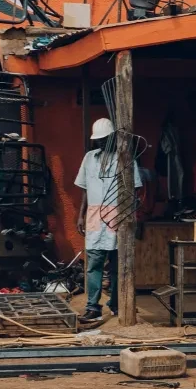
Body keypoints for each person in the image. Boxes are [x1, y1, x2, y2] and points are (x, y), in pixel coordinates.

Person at [75, 117, 143, 324]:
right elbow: (85, 188)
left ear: (113, 137)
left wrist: (131, 215)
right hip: (94, 216)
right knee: (93, 264)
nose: (101, 142)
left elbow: (135, 188)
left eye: (105, 139)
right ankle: (92, 307)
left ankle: (116, 304)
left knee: (116, 264)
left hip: (117, 215)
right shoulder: (89, 158)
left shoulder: (126, 158)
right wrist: (81, 214)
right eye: (99, 140)